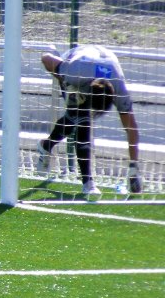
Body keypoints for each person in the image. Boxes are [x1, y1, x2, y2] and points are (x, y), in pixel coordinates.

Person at [36, 44, 141, 196]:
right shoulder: (74, 72)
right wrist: (62, 79)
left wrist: (133, 167)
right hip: (74, 64)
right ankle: (88, 183)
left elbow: (131, 127)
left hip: (98, 62)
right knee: (82, 119)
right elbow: (46, 58)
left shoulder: (119, 89)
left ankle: (46, 145)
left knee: (75, 117)